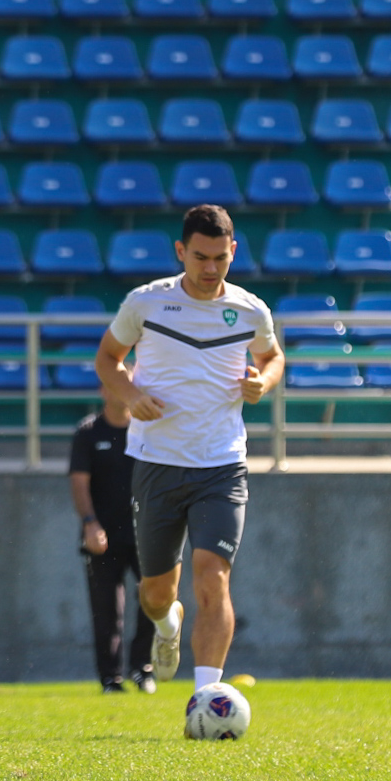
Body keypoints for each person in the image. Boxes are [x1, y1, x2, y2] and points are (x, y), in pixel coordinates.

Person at [94, 204, 283, 713]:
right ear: (181, 252)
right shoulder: (146, 303)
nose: (209, 268)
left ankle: (206, 696)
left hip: (221, 465)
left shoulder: (249, 310)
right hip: (156, 463)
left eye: (220, 258)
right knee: (155, 593)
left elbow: (271, 356)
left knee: (213, 571)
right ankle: (165, 623)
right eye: (200, 257)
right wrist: (131, 396)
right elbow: (107, 359)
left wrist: (261, 382)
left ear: (233, 253)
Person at [69, 382, 156, 694]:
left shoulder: (147, 430)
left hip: (145, 533)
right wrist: (90, 524)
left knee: (153, 599)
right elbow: (79, 481)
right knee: (107, 609)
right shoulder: (89, 432)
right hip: (103, 536)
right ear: (104, 390)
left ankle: (143, 669)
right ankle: (110, 678)